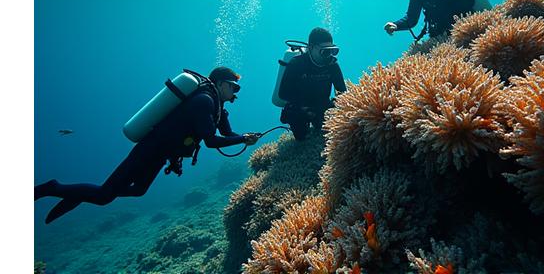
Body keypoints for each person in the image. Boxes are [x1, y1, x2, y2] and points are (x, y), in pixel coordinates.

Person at [34, 67, 260, 224]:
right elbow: (211, 141)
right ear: (220, 84)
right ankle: (53, 187)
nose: (236, 93)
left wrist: (245, 136)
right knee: (104, 196)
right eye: (234, 87)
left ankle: (79, 194)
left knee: (139, 190)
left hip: (161, 153)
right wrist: (242, 140)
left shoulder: (217, 107)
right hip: (150, 148)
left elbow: (226, 133)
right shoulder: (204, 101)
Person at [279, 27, 347, 141]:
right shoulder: (296, 63)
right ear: (311, 48)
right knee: (301, 137)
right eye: (324, 51)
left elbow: (342, 93)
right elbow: (283, 93)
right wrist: (304, 108)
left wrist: (334, 108)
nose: (329, 55)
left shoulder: (332, 65)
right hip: (299, 107)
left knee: (327, 135)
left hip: (323, 106)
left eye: (331, 51)